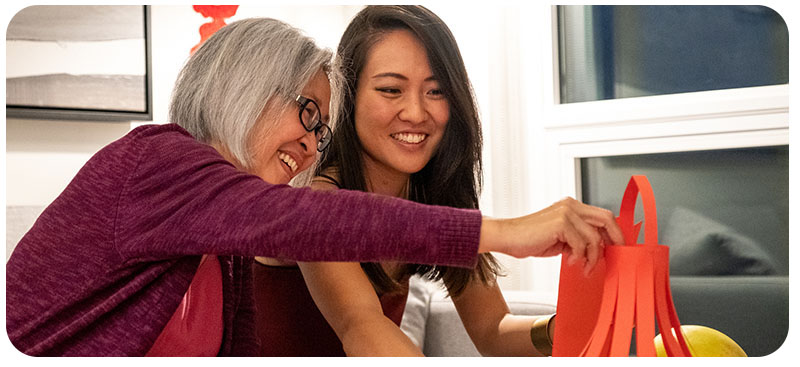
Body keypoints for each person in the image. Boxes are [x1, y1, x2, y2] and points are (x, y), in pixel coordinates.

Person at [6, 16, 619, 357]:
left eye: (319, 127)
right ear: (245, 87)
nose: (309, 141)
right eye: (306, 112)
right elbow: (309, 226)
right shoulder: (156, 160)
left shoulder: (226, 242)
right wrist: (510, 232)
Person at [252, 6, 624, 357]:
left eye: (436, 91)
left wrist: (576, 325)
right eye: (390, 90)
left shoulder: (433, 200)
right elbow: (362, 326)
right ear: (347, 98)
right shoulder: (318, 203)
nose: (416, 112)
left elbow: (492, 329)